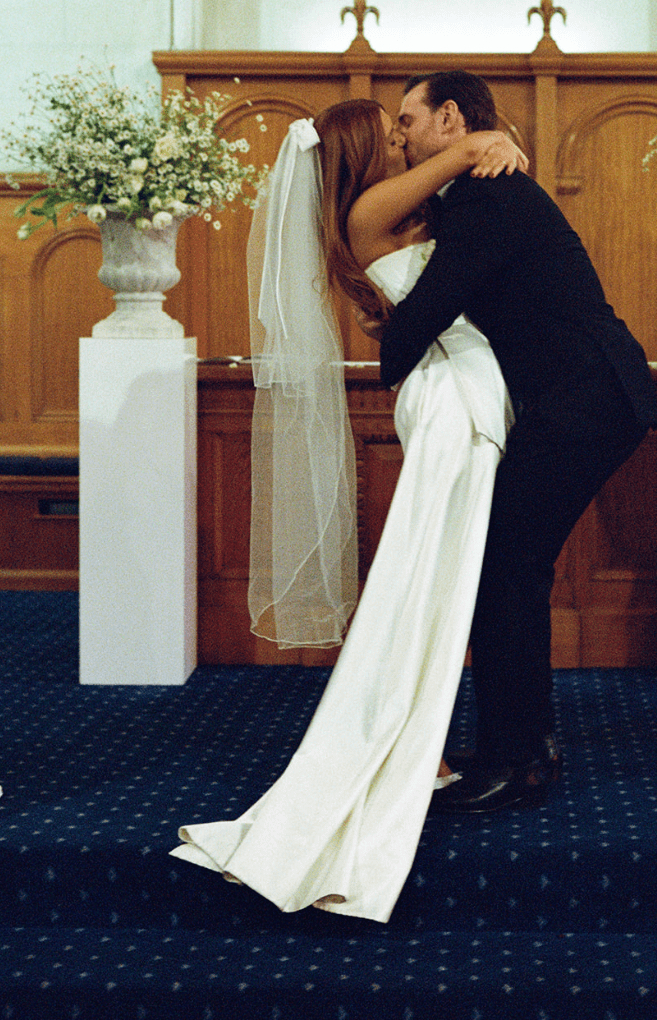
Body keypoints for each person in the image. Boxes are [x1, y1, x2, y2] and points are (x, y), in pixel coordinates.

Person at [170, 100, 526, 923]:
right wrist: (491, 141)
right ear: (366, 151)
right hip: (451, 400)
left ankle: (414, 742)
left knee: (437, 578)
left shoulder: (387, 213)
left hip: (459, 389)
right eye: (392, 133)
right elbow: (469, 151)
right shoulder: (372, 211)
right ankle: (399, 745)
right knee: (426, 578)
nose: (404, 139)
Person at [380, 70, 657, 814]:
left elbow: (432, 305)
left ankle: (517, 759)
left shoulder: (488, 196)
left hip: (587, 400)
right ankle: (524, 747)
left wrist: (387, 349)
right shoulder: (480, 189)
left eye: (408, 120)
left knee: (506, 565)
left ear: (449, 117)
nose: (399, 136)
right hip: (580, 399)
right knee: (511, 566)